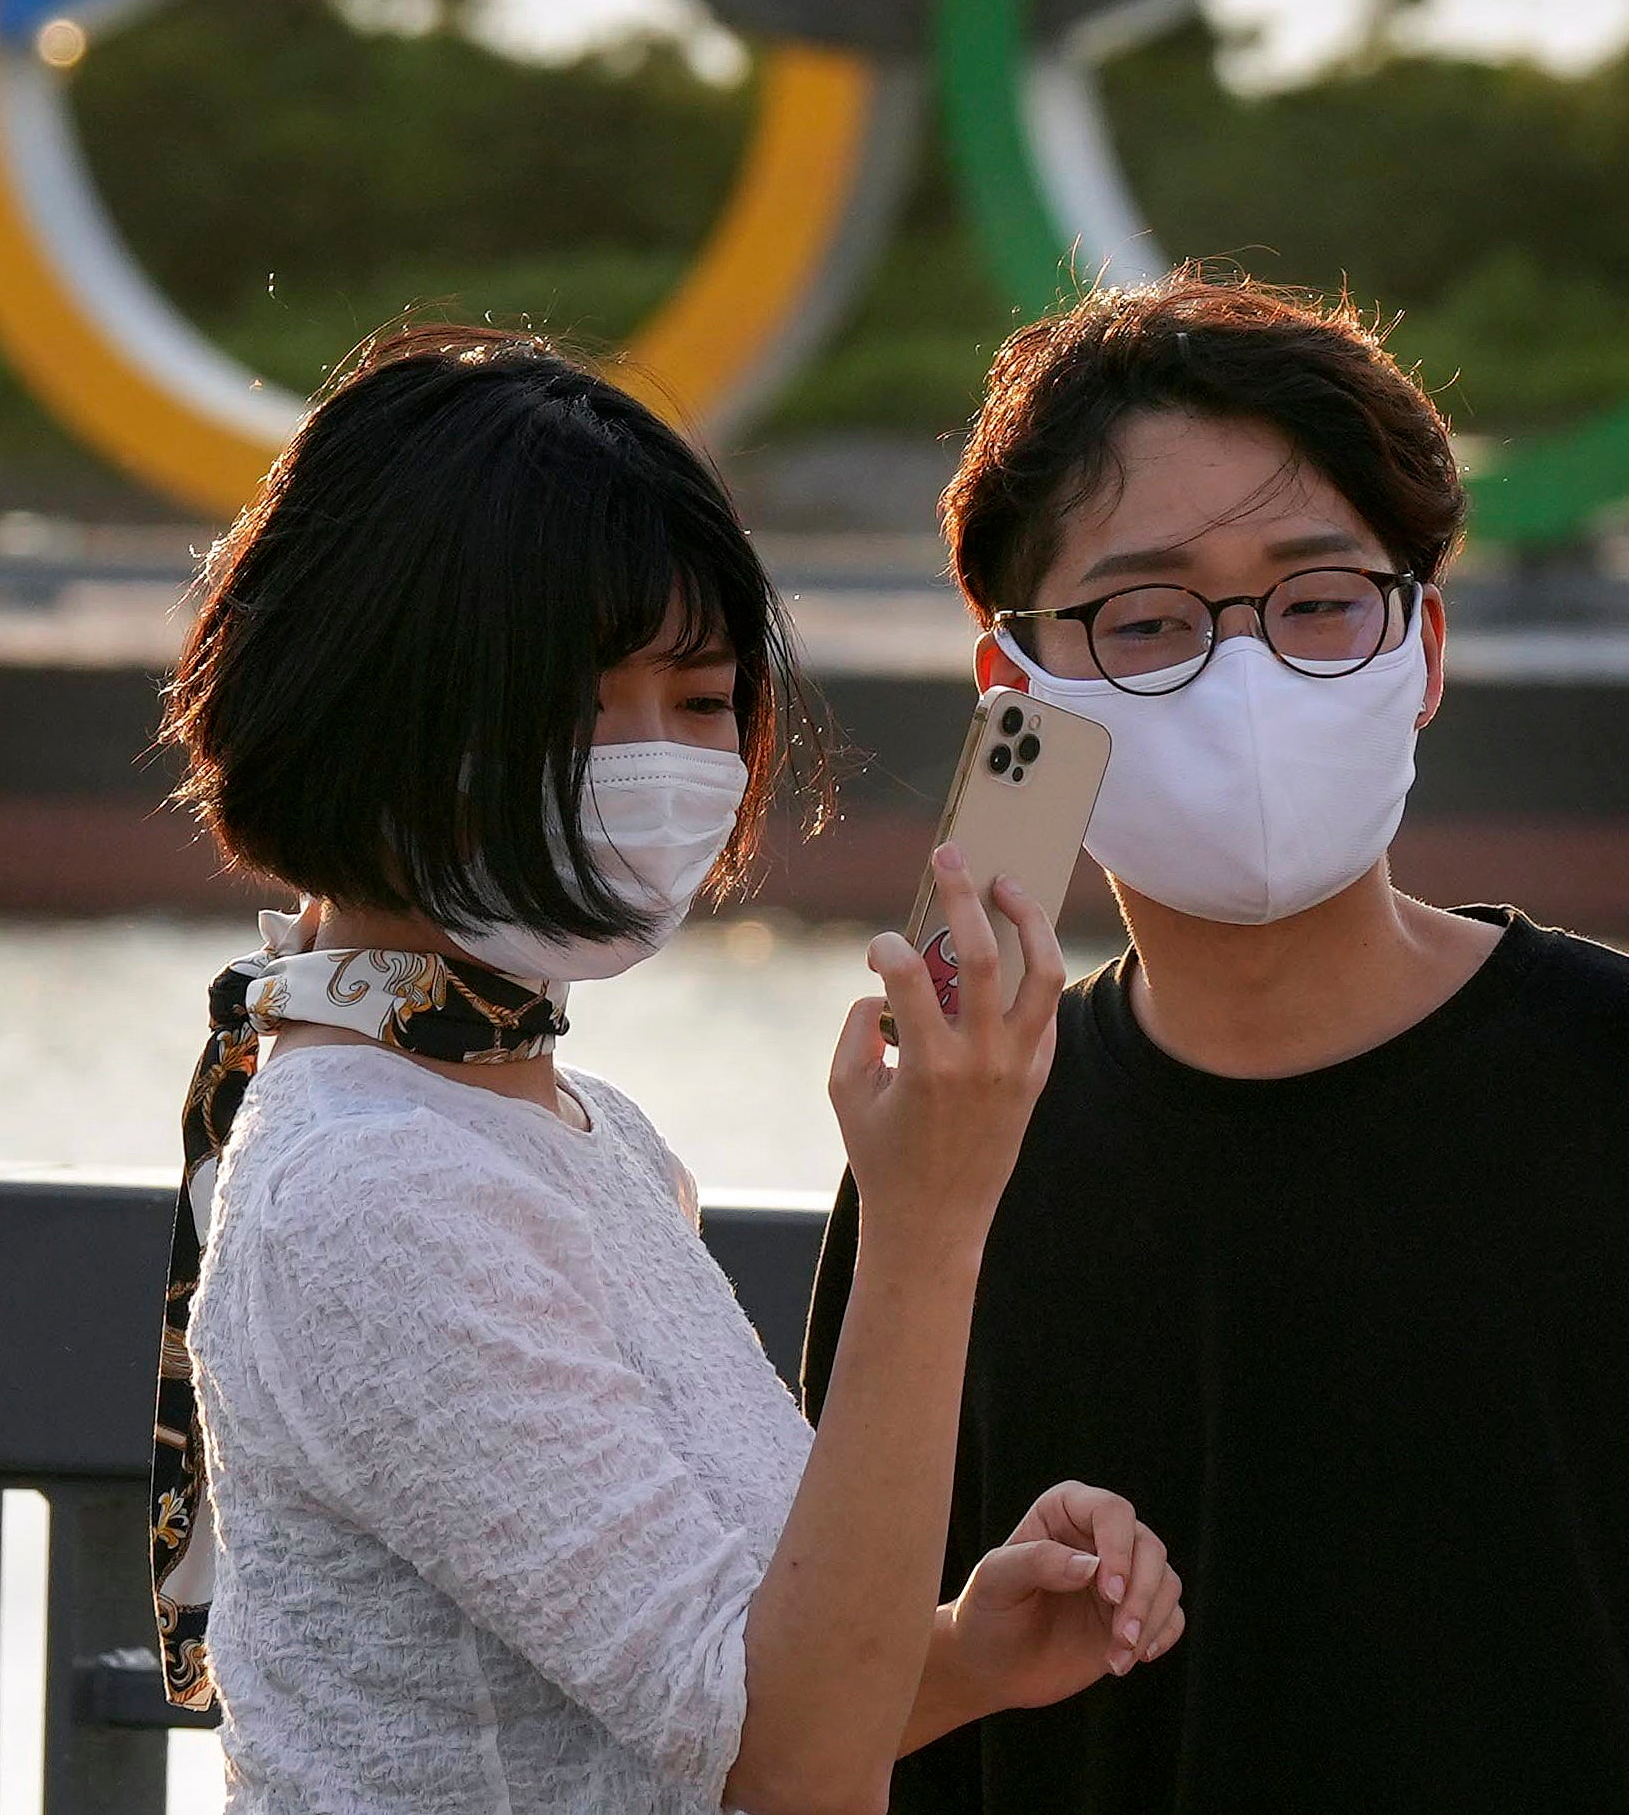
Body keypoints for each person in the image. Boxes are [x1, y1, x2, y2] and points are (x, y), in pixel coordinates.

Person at [804, 272, 1629, 1815]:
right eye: (1146, 619)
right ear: (1015, 694)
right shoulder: (954, 1153)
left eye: (1317, 601)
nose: (1244, 667)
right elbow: (836, 1729)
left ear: (1420, 651)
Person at [154, 328, 1186, 1814]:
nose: (652, 757)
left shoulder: (566, 1127)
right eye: (576, 696)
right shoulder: (379, 1193)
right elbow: (793, 1762)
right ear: (367, 693)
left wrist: (964, 1649)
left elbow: (711, 1690)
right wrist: (930, 1217)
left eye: (701, 700)